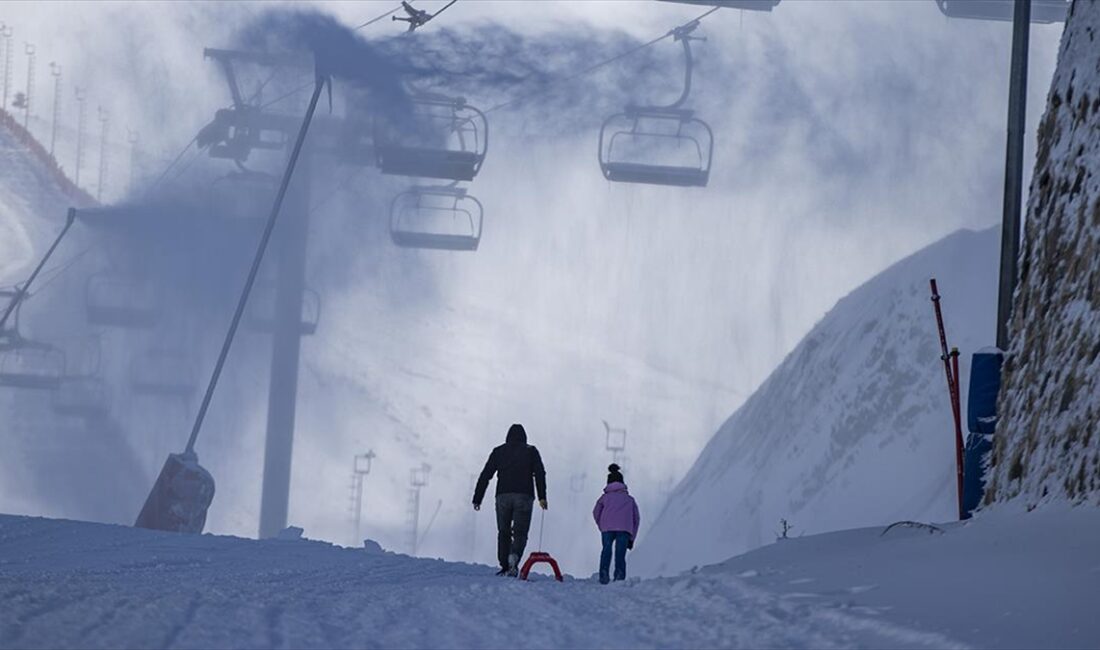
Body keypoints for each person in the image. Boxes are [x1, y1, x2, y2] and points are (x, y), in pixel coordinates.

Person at [472, 423, 548, 576]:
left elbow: (486, 474)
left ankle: (505, 565)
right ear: (524, 437)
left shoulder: (498, 451)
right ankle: (514, 557)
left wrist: (477, 498)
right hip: (524, 496)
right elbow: (540, 473)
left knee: (503, 532)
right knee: (520, 532)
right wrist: (542, 497)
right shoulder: (531, 451)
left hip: (503, 496)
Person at [592, 463, 640, 585]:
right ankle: (619, 578)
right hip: (624, 529)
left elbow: (595, 512)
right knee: (620, 553)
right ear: (622, 483)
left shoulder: (604, 498)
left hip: (607, 528)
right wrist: (632, 538)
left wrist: (601, 525)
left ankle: (603, 575)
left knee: (606, 551)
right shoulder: (630, 499)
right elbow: (636, 519)